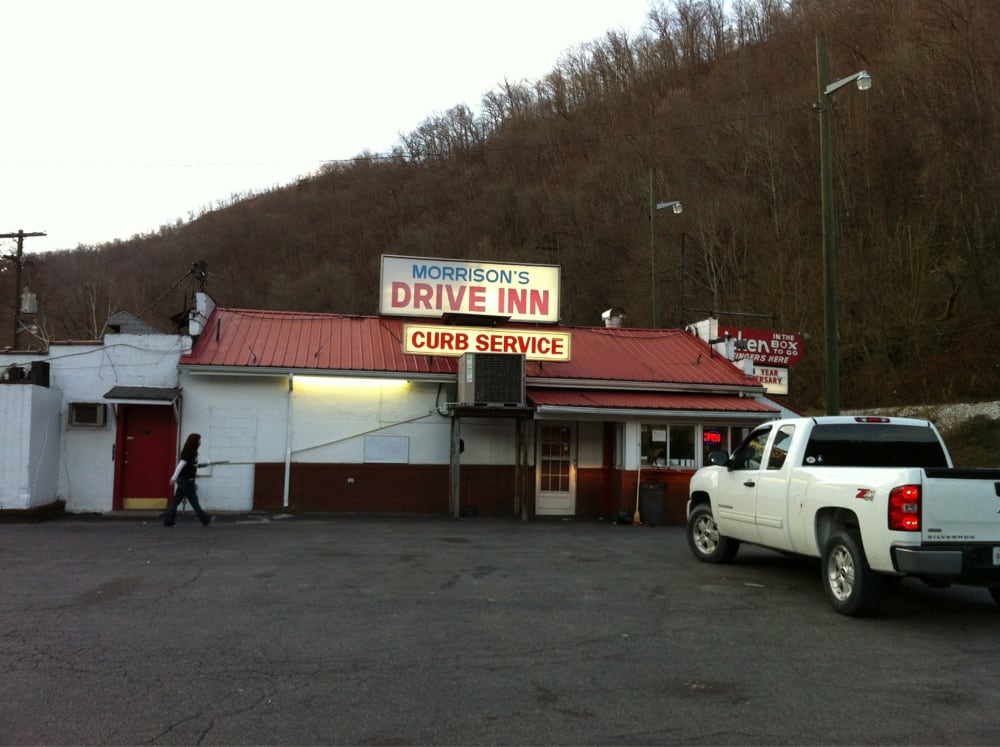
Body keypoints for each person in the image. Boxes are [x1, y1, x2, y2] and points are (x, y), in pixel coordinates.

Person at [163, 433, 213, 527]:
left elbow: (191, 464)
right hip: (187, 481)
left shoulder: (192, 452)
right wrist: (173, 478)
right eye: (198, 440)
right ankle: (205, 519)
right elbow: (181, 465)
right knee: (194, 501)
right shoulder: (188, 452)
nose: (200, 442)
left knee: (176, 501)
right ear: (194, 442)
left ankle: (169, 520)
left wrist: (200, 466)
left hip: (184, 480)